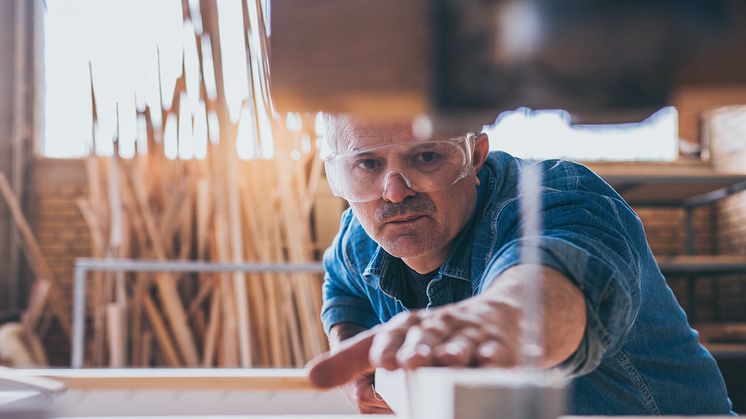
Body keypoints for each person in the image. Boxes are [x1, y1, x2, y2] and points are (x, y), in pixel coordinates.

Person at [306, 116, 734, 416]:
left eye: (426, 158)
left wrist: (507, 318)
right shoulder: (359, 234)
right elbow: (343, 288)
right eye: (367, 164)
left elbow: (550, 276)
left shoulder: (558, 197)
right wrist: (351, 350)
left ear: (475, 155)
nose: (395, 193)